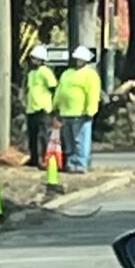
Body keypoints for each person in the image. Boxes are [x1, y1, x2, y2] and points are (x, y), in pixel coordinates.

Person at [54, 44, 102, 174]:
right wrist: (56, 106)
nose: (78, 61)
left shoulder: (90, 75)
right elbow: (60, 90)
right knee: (69, 141)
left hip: (81, 113)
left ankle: (81, 164)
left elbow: (93, 94)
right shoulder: (67, 73)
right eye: (77, 59)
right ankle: (70, 163)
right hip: (66, 112)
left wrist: (90, 110)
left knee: (80, 140)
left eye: (81, 59)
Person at [24, 44, 58, 167]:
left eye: (35, 59)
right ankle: (34, 158)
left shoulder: (45, 72)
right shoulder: (31, 73)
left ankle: (43, 159)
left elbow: (54, 88)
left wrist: (54, 106)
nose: (33, 61)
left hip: (43, 108)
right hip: (31, 108)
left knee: (43, 135)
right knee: (32, 135)